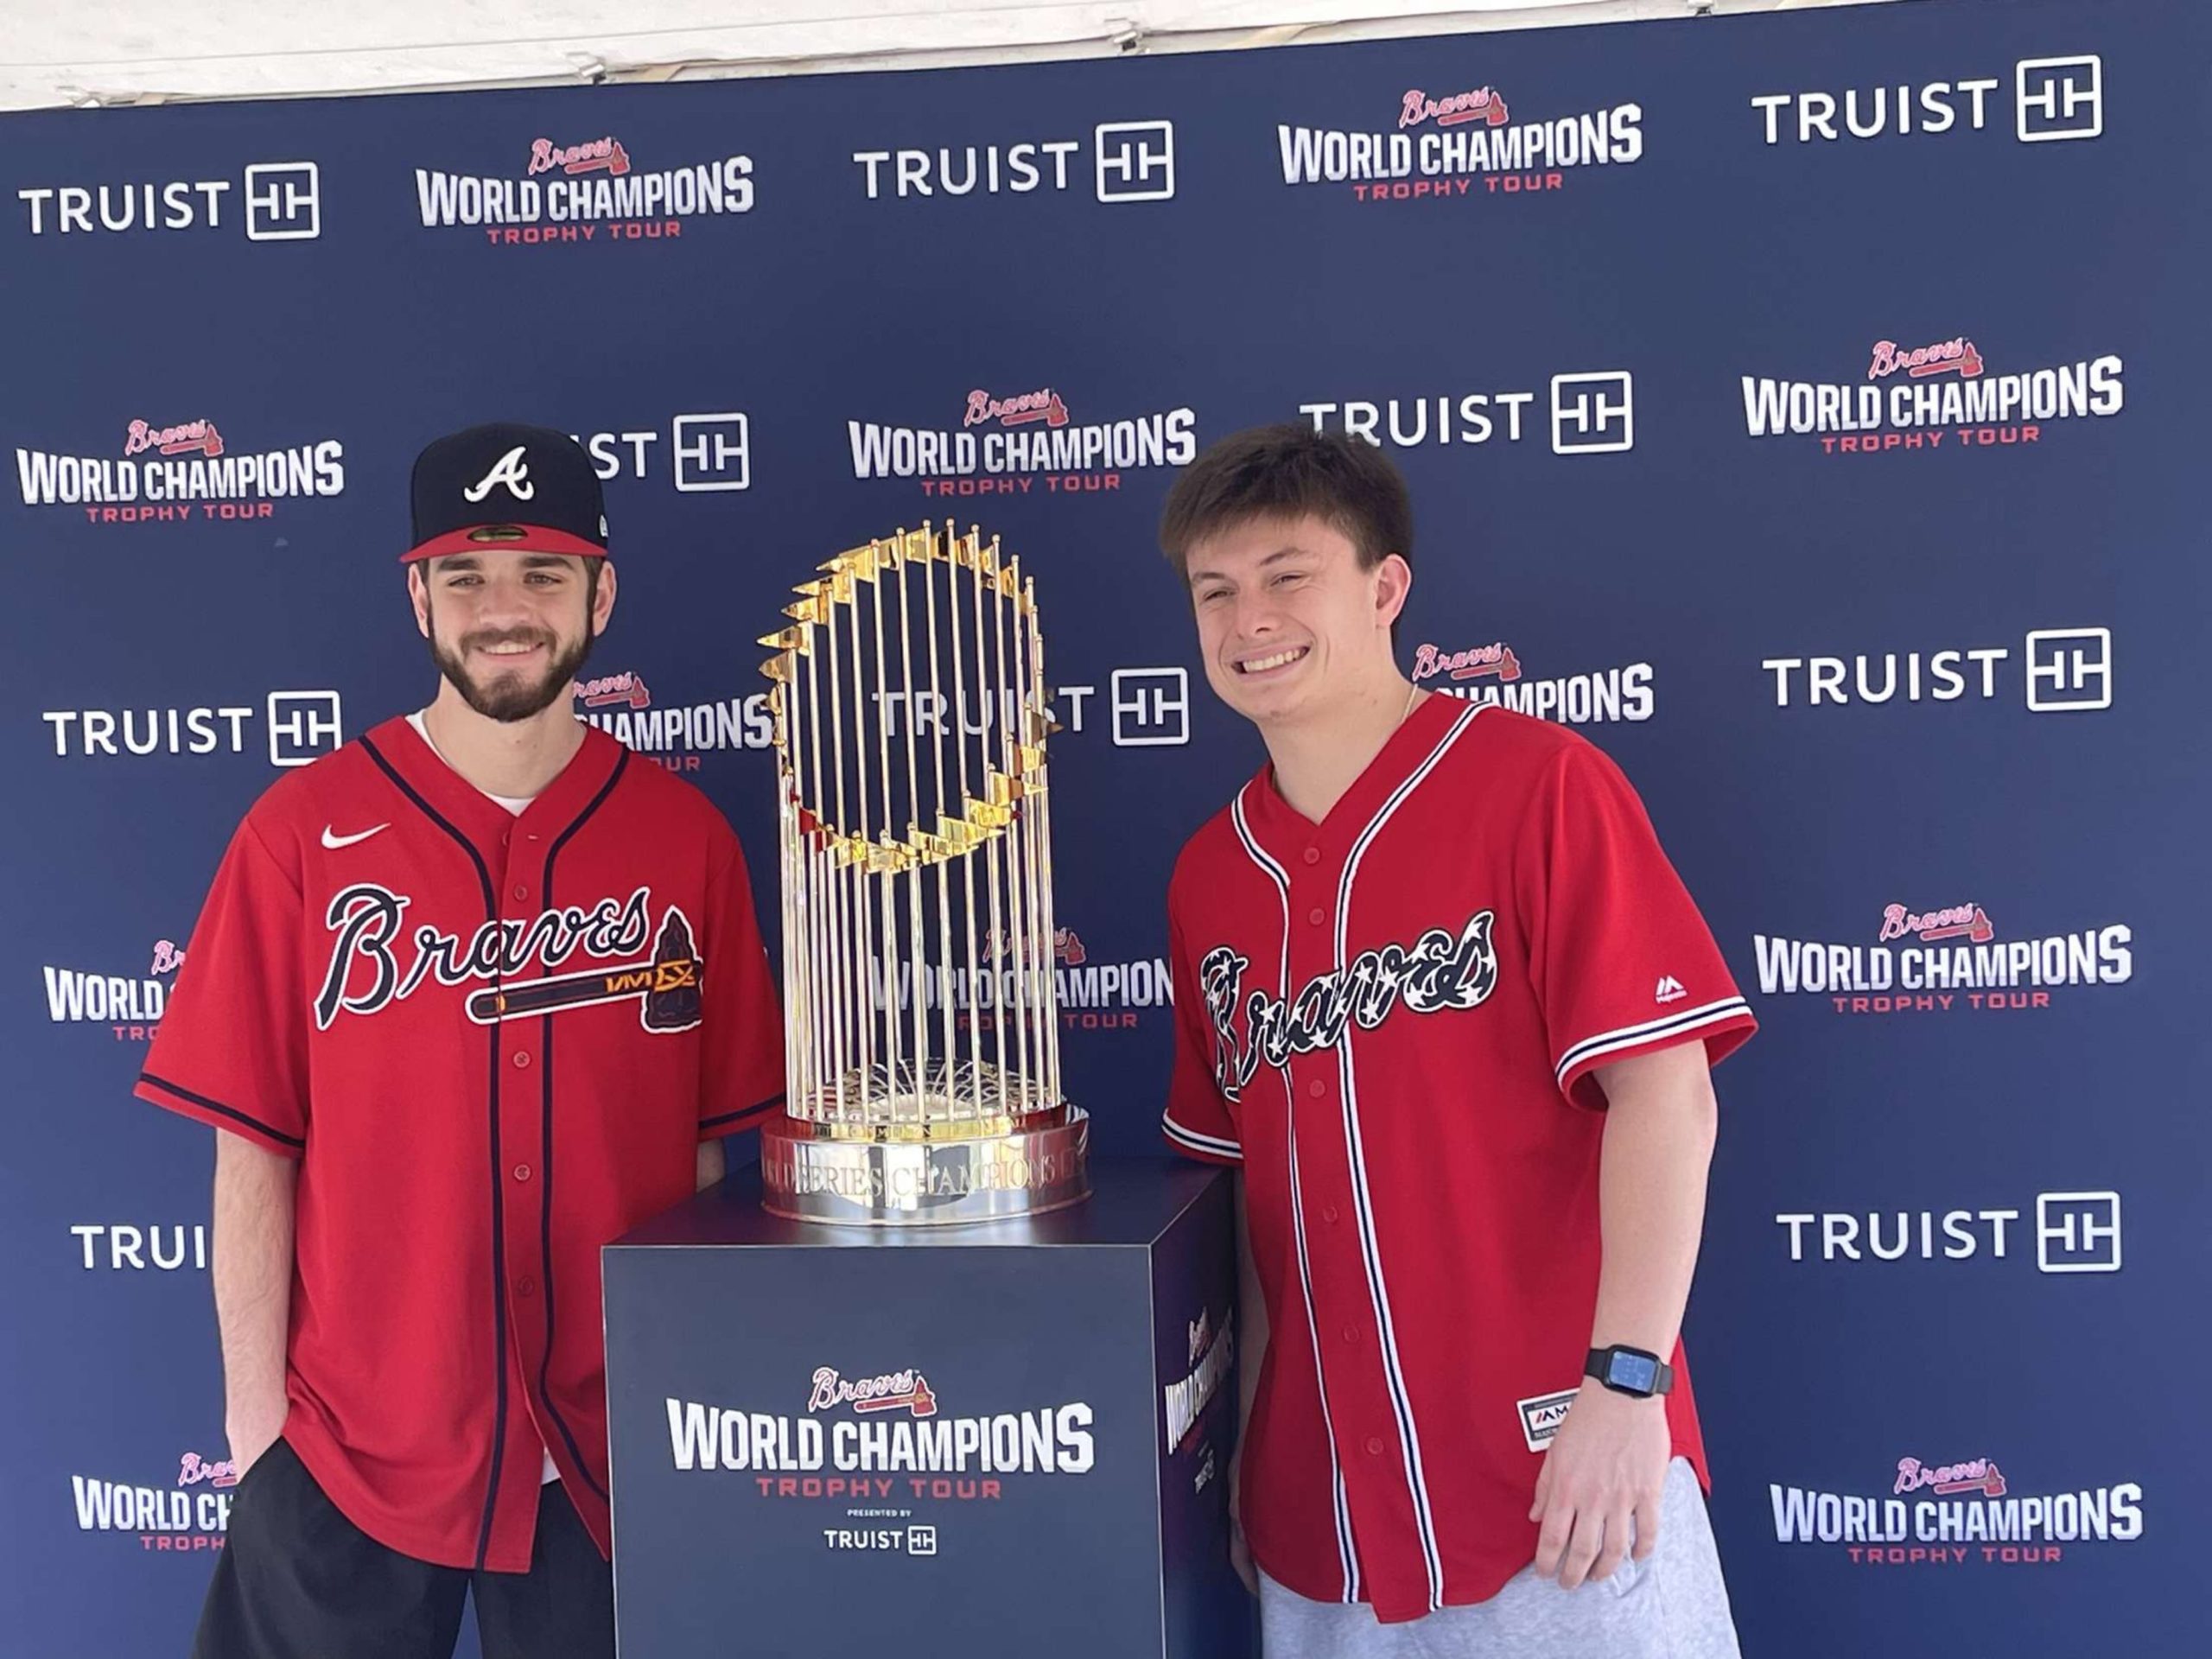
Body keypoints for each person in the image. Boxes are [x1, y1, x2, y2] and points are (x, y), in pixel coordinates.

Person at [137, 423, 786, 1659]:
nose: (504, 611)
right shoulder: (303, 828)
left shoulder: (683, 838)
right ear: (416, 593)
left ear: (601, 591)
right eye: (467, 576)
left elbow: (706, 1166)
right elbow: (253, 1153)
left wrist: (675, 1404)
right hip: (349, 1452)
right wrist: (256, 1440)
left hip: (606, 1462)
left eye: (542, 574)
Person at [1155, 423, 1755, 1658]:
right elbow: (1256, 1204)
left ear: (1385, 587)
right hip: (1325, 1518)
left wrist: (1627, 1385)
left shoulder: (1538, 786)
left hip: (1564, 1480)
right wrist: (1258, 1449)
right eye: (1215, 591)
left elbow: (1667, 1098)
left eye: (1287, 575)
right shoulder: (1212, 876)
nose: (1248, 617)